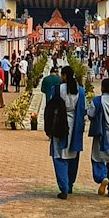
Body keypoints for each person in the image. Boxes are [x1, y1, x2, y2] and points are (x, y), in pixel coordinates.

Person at [44, 65, 86, 199]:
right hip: (75, 125)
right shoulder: (80, 90)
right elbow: (83, 109)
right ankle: (70, 184)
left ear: (64, 76)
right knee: (73, 155)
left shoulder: (57, 89)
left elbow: (50, 108)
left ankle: (64, 187)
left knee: (59, 155)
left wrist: (48, 127)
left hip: (59, 124)